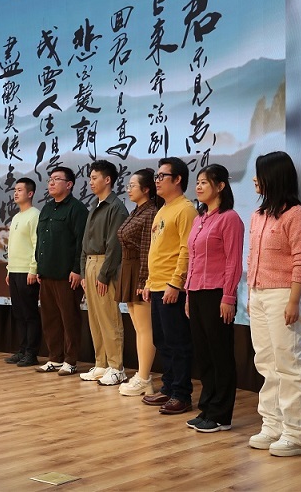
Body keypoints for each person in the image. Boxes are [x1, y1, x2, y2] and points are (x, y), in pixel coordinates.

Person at [246, 151, 301, 457]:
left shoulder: (297, 216)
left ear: (273, 177)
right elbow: (252, 258)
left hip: (284, 295)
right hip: (259, 294)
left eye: (259, 174)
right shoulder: (258, 215)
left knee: (289, 364)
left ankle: (297, 434)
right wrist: (250, 295)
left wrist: (293, 301)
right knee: (266, 361)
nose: (254, 179)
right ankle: (272, 425)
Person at [184, 164, 244, 433]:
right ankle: (207, 408)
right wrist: (188, 295)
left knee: (220, 354)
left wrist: (228, 296)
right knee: (204, 354)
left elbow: (234, 261)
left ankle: (221, 415)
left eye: (204, 182)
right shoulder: (199, 219)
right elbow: (193, 260)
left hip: (217, 293)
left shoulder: (229, 218)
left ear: (220, 186)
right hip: (196, 292)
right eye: (197, 182)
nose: (198, 187)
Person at [142, 157, 197, 414]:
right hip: (157, 285)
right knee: (162, 341)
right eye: (156, 176)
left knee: (177, 343)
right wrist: (148, 282)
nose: (157, 181)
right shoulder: (163, 209)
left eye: (162, 176)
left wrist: (176, 283)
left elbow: (186, 250)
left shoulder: (185, 209)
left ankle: (181, 394)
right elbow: (157, 250)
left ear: (177, 179)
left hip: (171, 287)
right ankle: (168, 388)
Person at [35, 167, 89, 376]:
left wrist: (77, 269)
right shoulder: (47, 208)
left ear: (69, 184)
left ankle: (70, 360)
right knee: (50, 319)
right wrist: (39, 266)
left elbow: (81, 241)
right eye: (50, 179)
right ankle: (54, 358)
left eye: (57, 179)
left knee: (69, 318)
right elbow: (41, 239)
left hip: (67, 275)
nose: (51, 183)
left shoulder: (77, 209)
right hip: (46, 272)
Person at [79, 160, 129, 385]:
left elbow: (114, 245)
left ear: (107, 180)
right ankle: (101, 363)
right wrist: (83, 272)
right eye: (90, 178)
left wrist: (103, 274)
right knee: (95, 317)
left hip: (104, 265)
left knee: (109, 317)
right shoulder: (95, 205)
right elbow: (85, 241)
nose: (91, 182)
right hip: (90, 263)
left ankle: (117, 367)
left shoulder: (116, 207)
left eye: (94, 178)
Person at [116, 169, 160, 396]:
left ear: (146, 189)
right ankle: (142, 376)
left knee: (145, 328)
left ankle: (144, 378)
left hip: (140, 270)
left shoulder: (151, 212)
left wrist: (144, 280)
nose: (128, 189)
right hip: (129, 268)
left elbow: (147, 250)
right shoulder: (137, 211)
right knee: (138, 327)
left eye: (132, 185)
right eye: (128, 185)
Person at [4, 177, 41, 367]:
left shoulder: (35, 215)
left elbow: (36, 244)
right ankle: (22, 349)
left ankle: (31, 353)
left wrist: (33, 269)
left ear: (30, 193)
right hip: (15, 271)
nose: (16, 193)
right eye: (15, 190)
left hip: (28, 271)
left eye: (20, 190)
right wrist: (9, 270)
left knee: (29, 313)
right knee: (18, 313)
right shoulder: (17, 217)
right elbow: (13, 246)